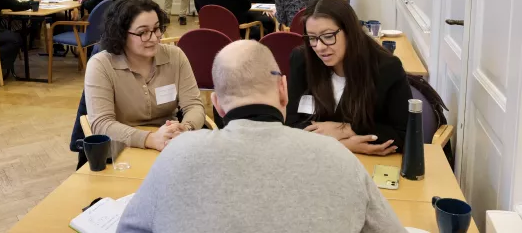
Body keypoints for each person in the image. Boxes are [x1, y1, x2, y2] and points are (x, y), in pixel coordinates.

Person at [118, 40, 405, 233]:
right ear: (283, 89)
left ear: (216, 105)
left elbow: (129, 228)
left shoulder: (176, 156)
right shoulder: (338, 157)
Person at [287, 0, 412, 154]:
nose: (319, 47)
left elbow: (404, 135)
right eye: (312, 38)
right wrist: (344, 145)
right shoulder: (302, 60)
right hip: (316, 159)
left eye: (328, 36)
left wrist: (345, 129)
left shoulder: (386, 68)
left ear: (349, 32)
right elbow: (291, 125)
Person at [84, 0, 205, 150]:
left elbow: (194, 105)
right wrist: (151, 139)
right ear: (121, 34)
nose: (154, 38)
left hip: (170, 144)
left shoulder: (175, 56)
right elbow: (102, 124)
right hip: (123, 146)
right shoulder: (101, 65)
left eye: (156, 29)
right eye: (143, 32)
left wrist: (185, 129)